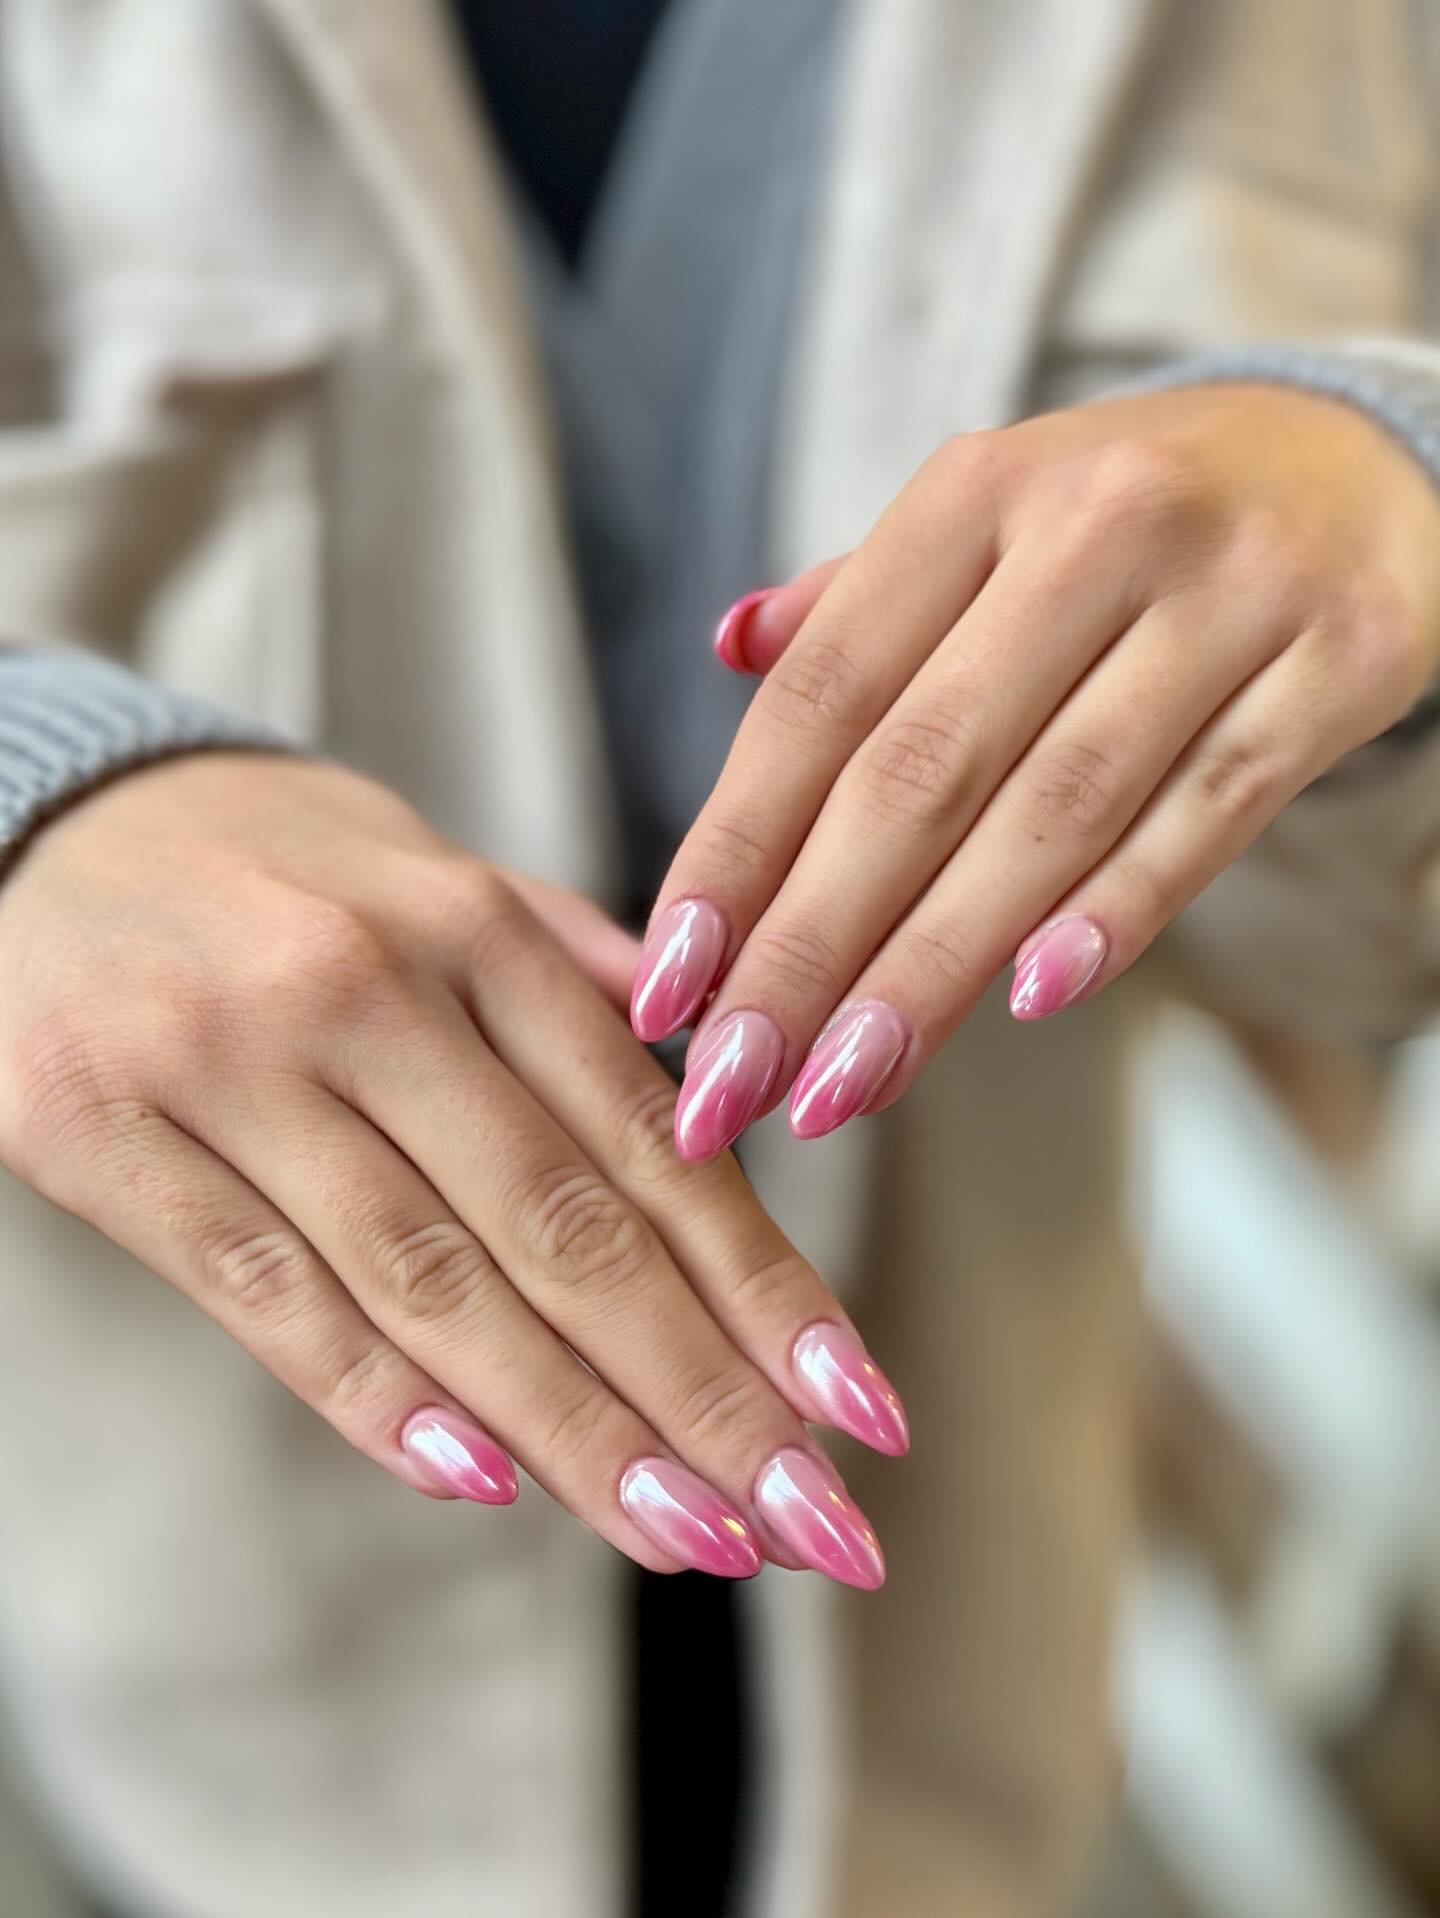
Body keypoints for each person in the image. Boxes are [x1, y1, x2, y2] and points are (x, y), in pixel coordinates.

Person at [0, 2, 1438, 1914]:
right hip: (163, 1676)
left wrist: (1386, 477)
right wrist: (33, 782)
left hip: (967, 1660)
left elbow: (1346, 948)